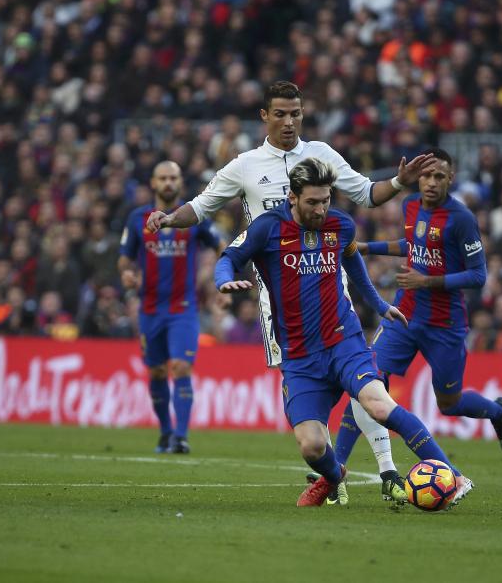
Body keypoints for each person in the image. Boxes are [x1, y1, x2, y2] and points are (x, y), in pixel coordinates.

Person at [147, 80, 436, 501]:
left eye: (296, 113)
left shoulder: (321, 154)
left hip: (328, 284)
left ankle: (387, 468)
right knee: (317, 415)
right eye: (280, 113)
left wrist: (400, 181)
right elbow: (204, 204)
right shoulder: (245, 164)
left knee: (362, 382)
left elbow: (367, 194)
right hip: (279, 302)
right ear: (264, 116)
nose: (289, 121)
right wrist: (170, 219)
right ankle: (337, 475)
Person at [214, 157, 472, 506]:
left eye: (326, 200)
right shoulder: (267, 228)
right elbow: (228, 257)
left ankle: (451, 474)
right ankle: (334, 477)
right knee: (311, 445)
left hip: (343, 341)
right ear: (292, 197)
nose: (321, 209)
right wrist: (224, 279)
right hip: (301, 357)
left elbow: (353, 263)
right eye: (312, 202)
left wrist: (380, 305)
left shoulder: (341, 225)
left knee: (379, 404)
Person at [345, 148, 502, 471]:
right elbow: (413, 245)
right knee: (364, 382)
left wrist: (427, 281)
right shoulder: (410, 205)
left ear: (450, 179)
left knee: (448, 404)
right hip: (404, 315)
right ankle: (335, 469)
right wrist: (369, 248)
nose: (432, 182)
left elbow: (478, 276)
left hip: (444, 324)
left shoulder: (462, 219)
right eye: (426, 175)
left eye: (439, 176)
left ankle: (497, 411)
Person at [119, 161, 223, 454]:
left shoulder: (192, 217)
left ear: (180, 182)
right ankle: (165, 432)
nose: (168, 183)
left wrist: (219, 273)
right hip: (149, 309)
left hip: (183, 309)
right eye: (162, 178)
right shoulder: (137, 218)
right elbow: (124, 258)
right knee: (155, 372)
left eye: (173, 178)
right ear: (152, 183)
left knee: (180, 366)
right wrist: (127, 273)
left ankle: (180, 436)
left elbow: (220, 245)